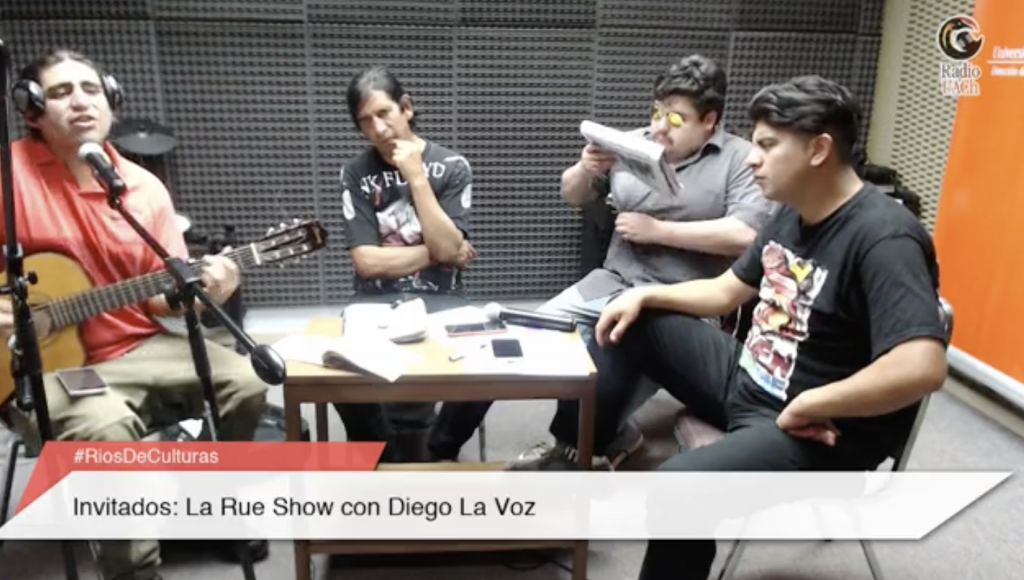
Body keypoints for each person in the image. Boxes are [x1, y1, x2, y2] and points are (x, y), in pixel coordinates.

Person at [586, 75, 948, 579]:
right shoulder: (791, 213)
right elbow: (725, 292)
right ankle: (578, 448)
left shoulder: (885, 237)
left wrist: (813, 403)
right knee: (630, 318)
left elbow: (922, 366)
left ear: (819, 149)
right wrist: (643, 294)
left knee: (678, 488)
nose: (752, 159)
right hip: (751, 378)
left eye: (767, 145)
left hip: (813, 425)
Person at [0, 49, 270, 580]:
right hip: (39, 366)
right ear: (32, 110)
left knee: (246, 380)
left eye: (91, 89)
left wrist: (204, 291)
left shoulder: (143, 189)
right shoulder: (8, 180)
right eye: (61, 92)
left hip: (138, 344)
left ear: (112, 101)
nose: (81, 101)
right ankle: (133, 571)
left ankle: (204, 506)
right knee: (107, 427)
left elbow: (158, 299)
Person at [437, 54, 776, 468]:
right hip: (610, 282)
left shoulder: (740, 159)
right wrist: (584, 168)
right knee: (507, 343)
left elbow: (746, 234)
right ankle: (439, 448)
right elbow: (572, 195)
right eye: (657, 112)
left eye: (676, 119)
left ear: (710, 120)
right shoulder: (633, 143)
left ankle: (578, 449)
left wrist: (660, 231)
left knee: (599, 376)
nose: (659, 126)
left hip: (677, 307)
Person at [334, 66, 476, 462]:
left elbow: (447, 245)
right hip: (374, 300)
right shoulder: (355, 173)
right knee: (338, 373)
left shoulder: (453, 166)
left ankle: (440, 449)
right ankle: (383, 455)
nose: (378, 129)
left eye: (384, 114)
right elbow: (366, 261)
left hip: (443, 298)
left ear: (406, 107)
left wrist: (416, 177)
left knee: (490, 366)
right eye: (365, 121)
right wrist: (442, 251)